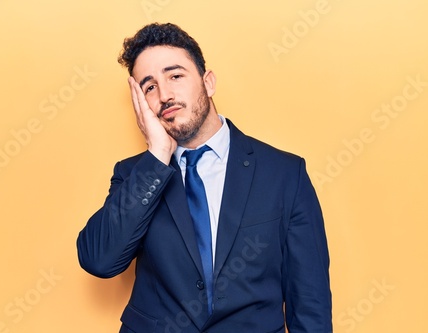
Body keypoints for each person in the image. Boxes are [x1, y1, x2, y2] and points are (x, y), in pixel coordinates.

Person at [77, 23, 332, 333]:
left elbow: (311, 303)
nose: (165, 95)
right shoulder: (135, 174)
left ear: (208, 82)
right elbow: (99, 261)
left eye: (175, 76)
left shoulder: (284, 173)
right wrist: (157, 156)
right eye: (149, 87)